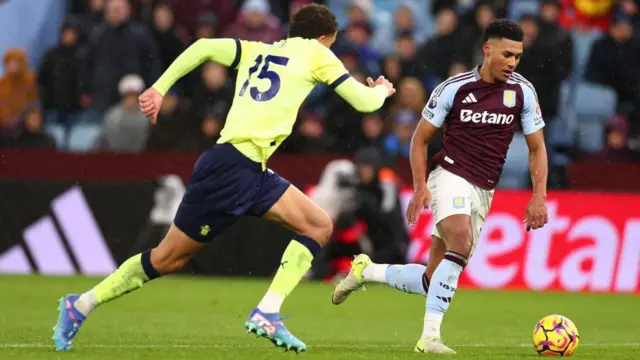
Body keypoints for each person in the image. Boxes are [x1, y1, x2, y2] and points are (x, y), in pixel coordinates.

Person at [52, 3, 395, 354]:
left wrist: (159, 88)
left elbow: (202, 48)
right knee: (166, 260)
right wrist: (382, 89)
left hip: (250, 167)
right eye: (331, 45)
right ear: (323, 39)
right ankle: (80, 306)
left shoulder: (257, 49)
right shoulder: (315, 52)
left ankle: (268, 311)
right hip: (231, 169)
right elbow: (365, 103)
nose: (331, 52)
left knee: (318, 225)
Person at [332, 19, 549, 354]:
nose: (512, 62)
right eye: (507, 54)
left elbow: (537, 147)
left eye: (518, 56)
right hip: (449, 174)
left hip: (484, 189)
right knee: (459, 240)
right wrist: (420, 186)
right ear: (487, 49)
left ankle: (366, 271)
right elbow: (420, 140)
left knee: (431, 280)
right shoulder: (454, 87)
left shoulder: (522, 91)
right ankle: (429, 338)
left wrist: (539, 196)